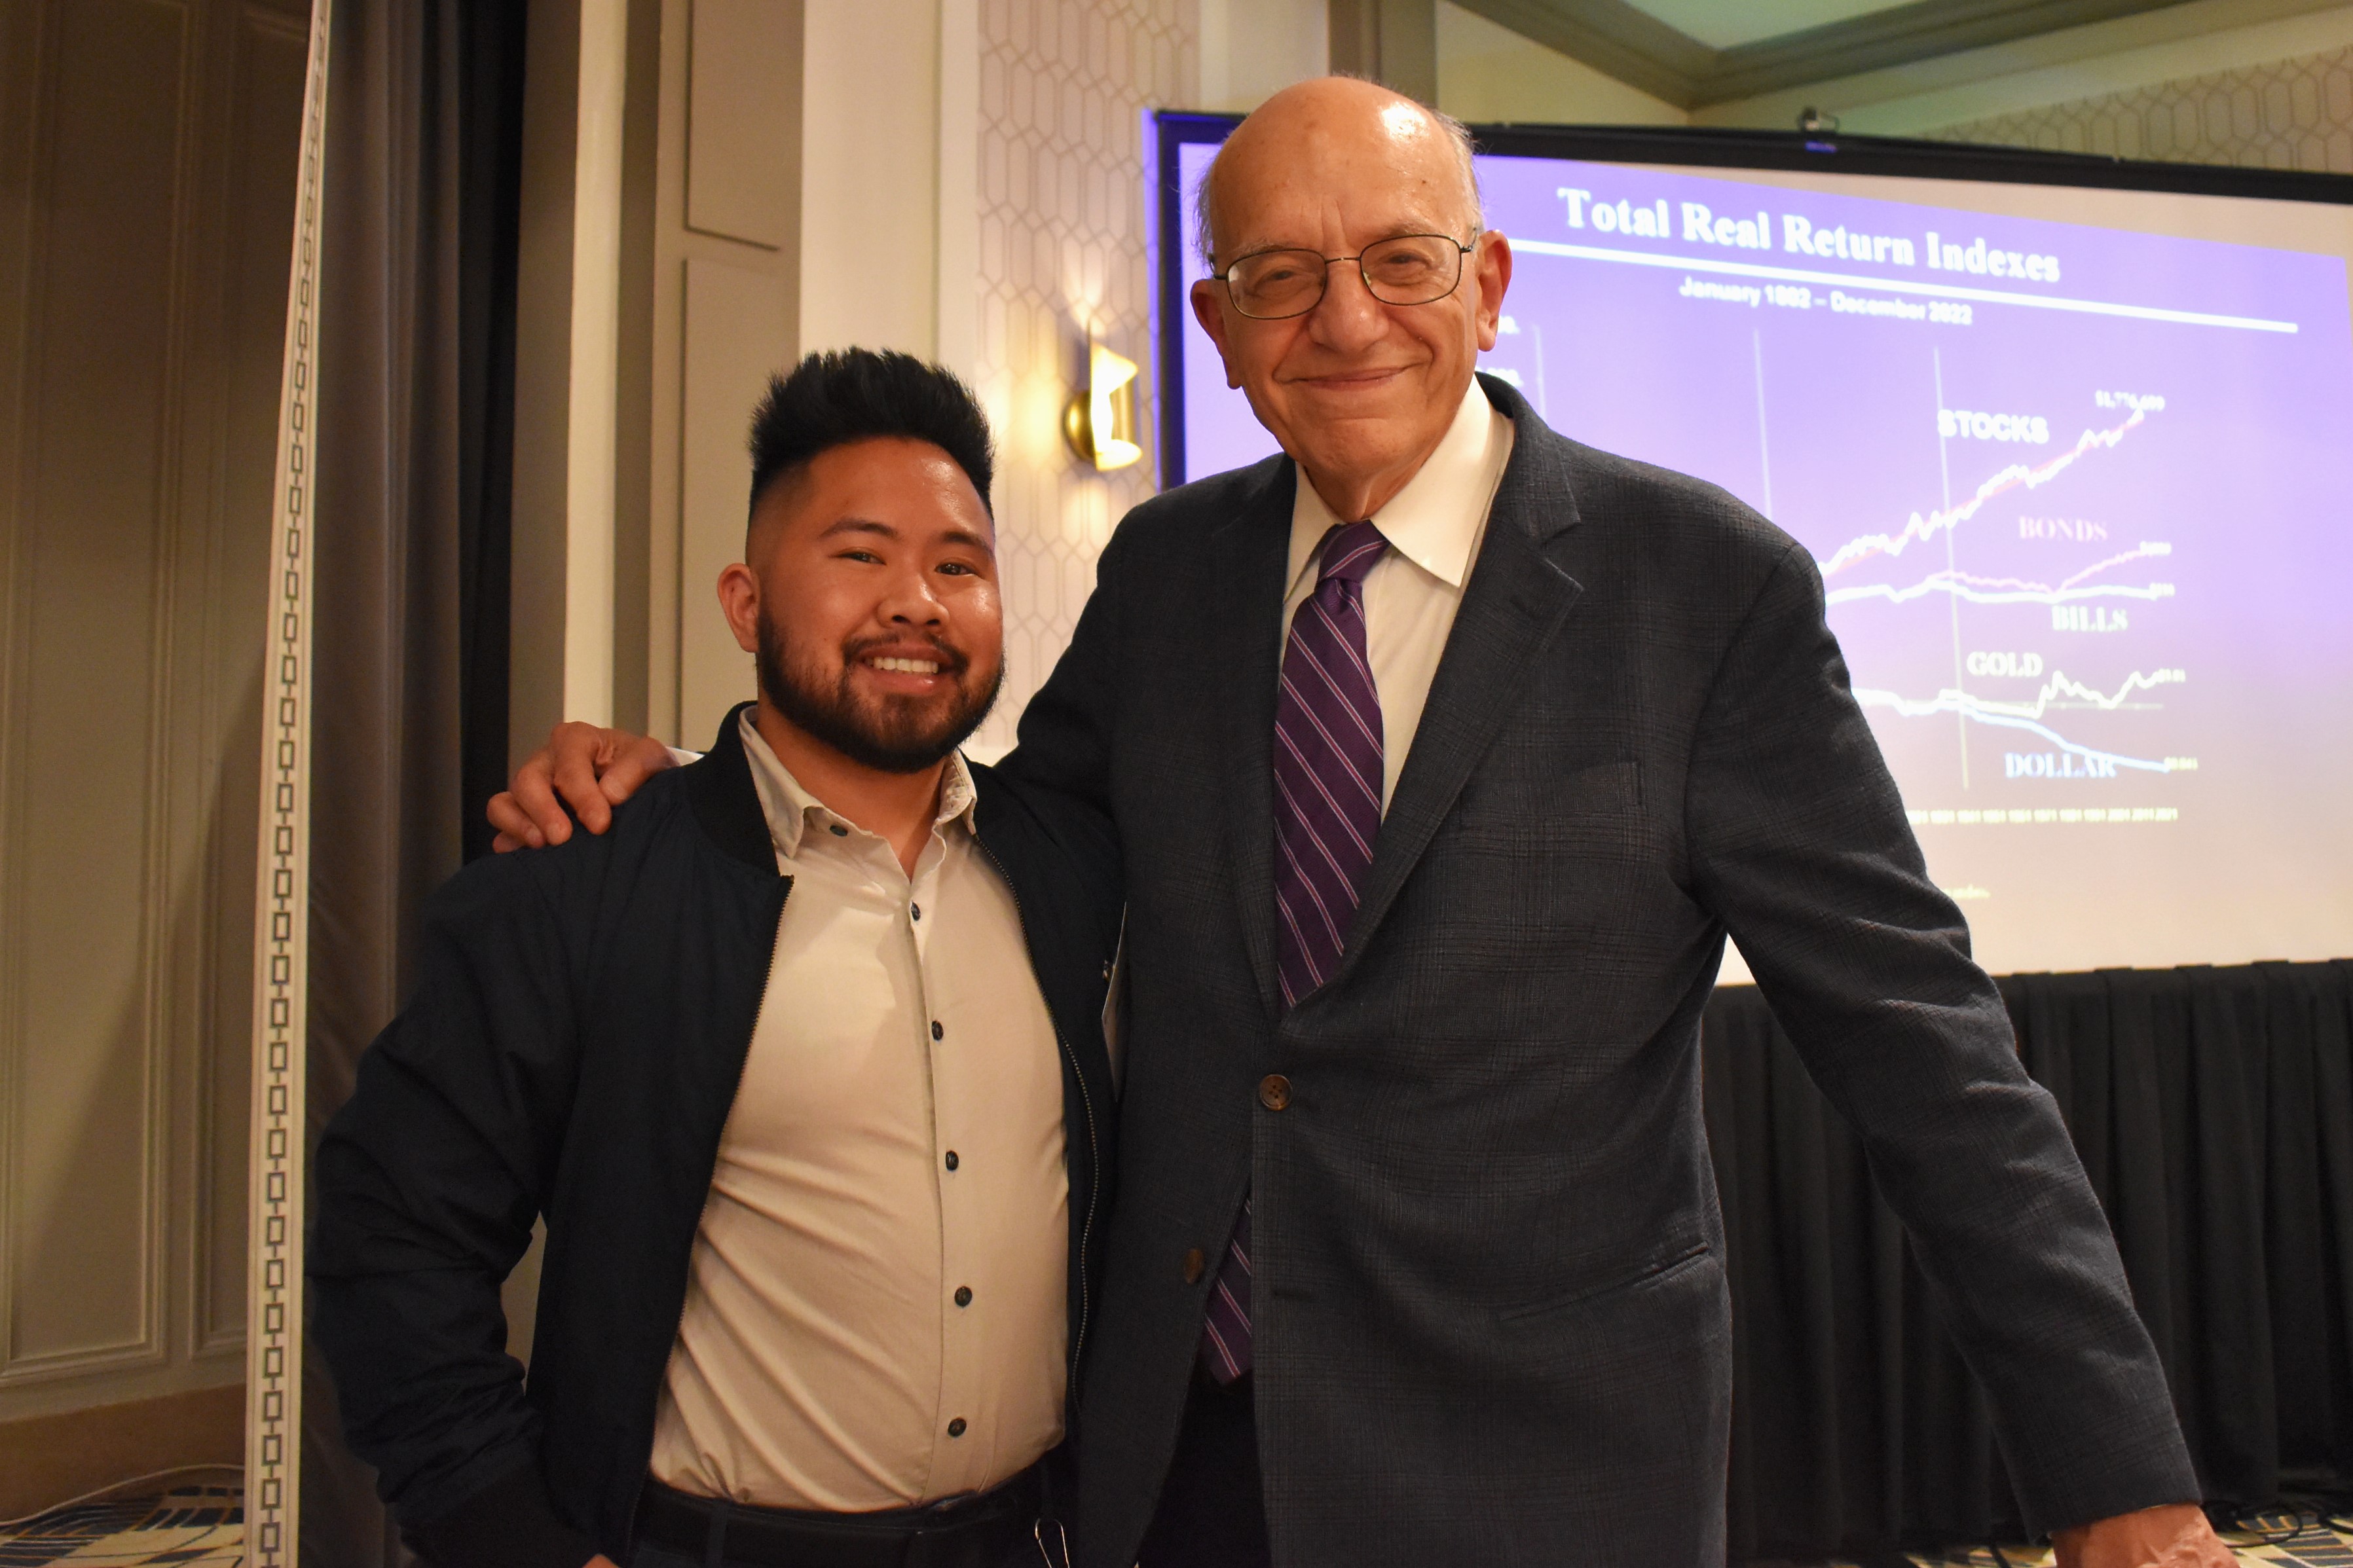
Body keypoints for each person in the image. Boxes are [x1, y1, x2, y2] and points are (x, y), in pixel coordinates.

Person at [492, 81, 2231, 1568]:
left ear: (1488, 285)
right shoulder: (1169, 572)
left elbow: (1926, 1052)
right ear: (1217, 322)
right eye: (1281, 276)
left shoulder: (1704, 592)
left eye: (1400, 261)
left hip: (1547, 1463)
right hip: (1185, 1447)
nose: (1345, 321)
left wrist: (2121, 1477)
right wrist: (702, 780)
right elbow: (997, 835)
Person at [312, 349, 1122, 1568]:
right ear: (745, 604)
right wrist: (515, 1542)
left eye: (958, 566)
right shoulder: (583, 882)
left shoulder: (1074, 873)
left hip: (1028, 1539)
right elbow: (394, 1236)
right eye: (861, 556)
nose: (916, 601)